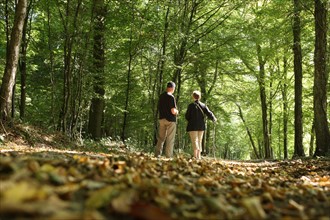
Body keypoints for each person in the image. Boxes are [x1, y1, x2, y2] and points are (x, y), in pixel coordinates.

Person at [185, 90, 216, 159]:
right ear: (200, 97)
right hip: (201, 126)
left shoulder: (191, 105)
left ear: (193, 96)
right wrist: (213, 118)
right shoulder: (203, 105)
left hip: (192, 126)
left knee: (194, 140)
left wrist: (190, 120)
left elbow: (187, 116)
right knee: (199, 140)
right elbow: (209, 113)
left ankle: (195, 155)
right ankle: (198, 156)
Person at [155, 81, 179, 158]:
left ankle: (157, 154)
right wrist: (177, 112)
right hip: (170, 120)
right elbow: (173, 111)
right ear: (172, 88)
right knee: (170, 139)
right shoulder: (171, 97)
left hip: (162, 119)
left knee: (161, 138)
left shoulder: (161, 96)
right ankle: (168, 156)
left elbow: (158, 107)